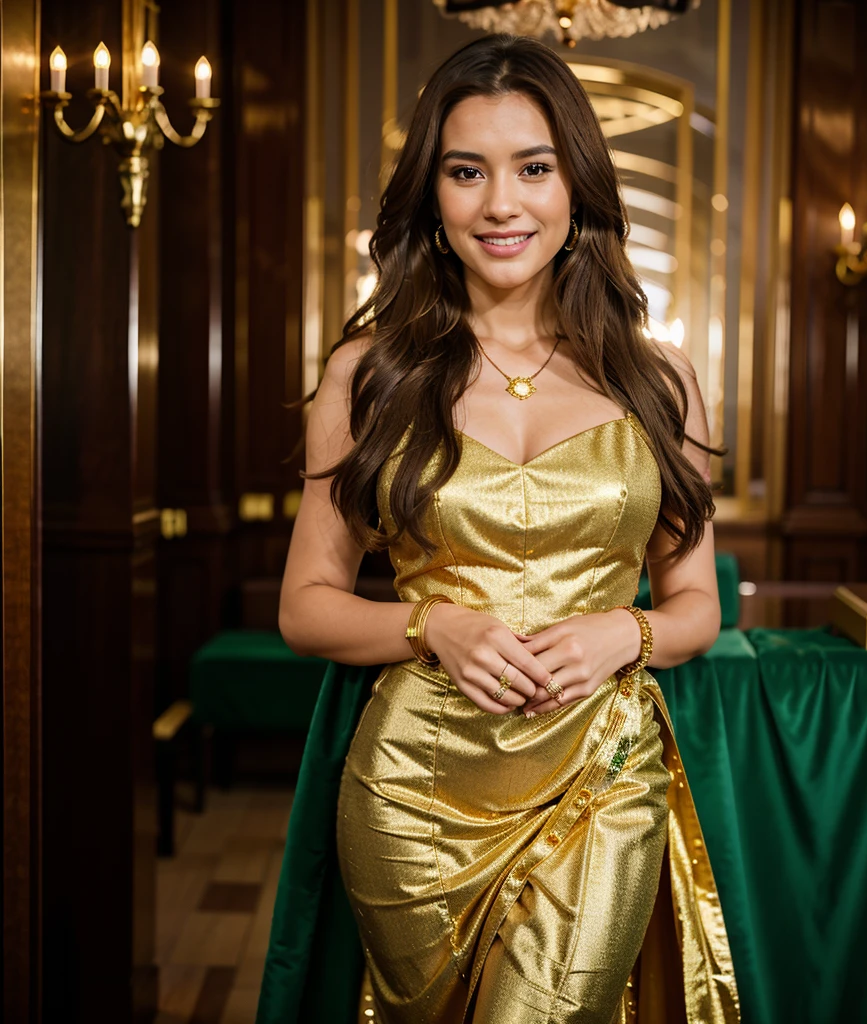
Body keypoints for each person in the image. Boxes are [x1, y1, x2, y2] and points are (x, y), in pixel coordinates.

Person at [258, 32, 740, 1024]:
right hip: (413, 787)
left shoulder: (662, 382)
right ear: (432, 195)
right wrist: (432, 625)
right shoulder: (368, 373)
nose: (501, 204)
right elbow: (305, 609)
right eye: (465, 171)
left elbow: (694, 606)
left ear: (578, 186)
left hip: (603, 767)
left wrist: (625, 630)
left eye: (533, 167)